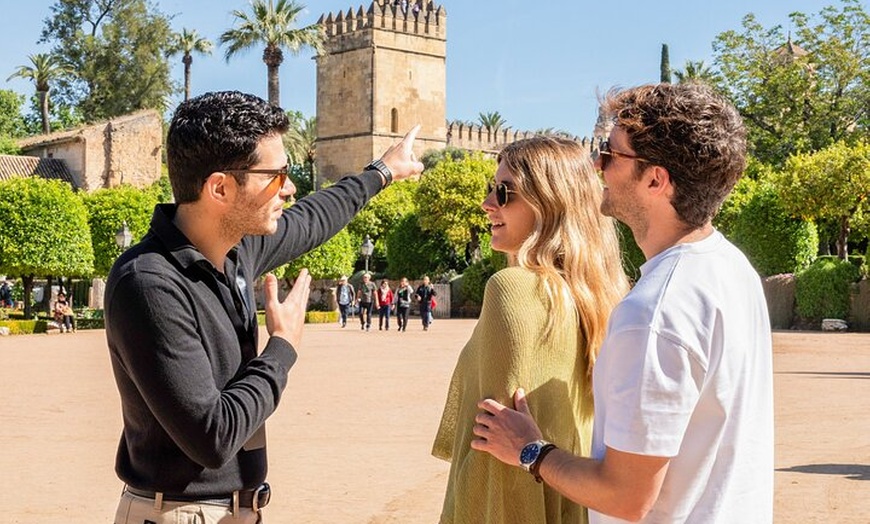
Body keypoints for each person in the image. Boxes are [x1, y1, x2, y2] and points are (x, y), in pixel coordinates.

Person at [105, 90, 423, 523]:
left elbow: (313, 218)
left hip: (237, 511)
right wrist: (281, 349)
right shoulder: (149, 282)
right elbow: (213, 437)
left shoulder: (237, 252)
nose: (290, 188)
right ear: (220, 187)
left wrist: (383, 172)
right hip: (181, 514)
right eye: (276, 175)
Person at [472, 83, 774, 523]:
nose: (597, 164)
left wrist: (530, 450)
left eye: (610, 154)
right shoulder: (733, 268)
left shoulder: (655, 312)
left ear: (656, 179)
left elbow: (626, 497)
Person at [433, 136, 629, 524]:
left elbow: (496, 461)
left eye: (504, 192)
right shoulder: (597, 298)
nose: (488, 203)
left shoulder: (513, 289)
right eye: (491, 189)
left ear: (549, 205)